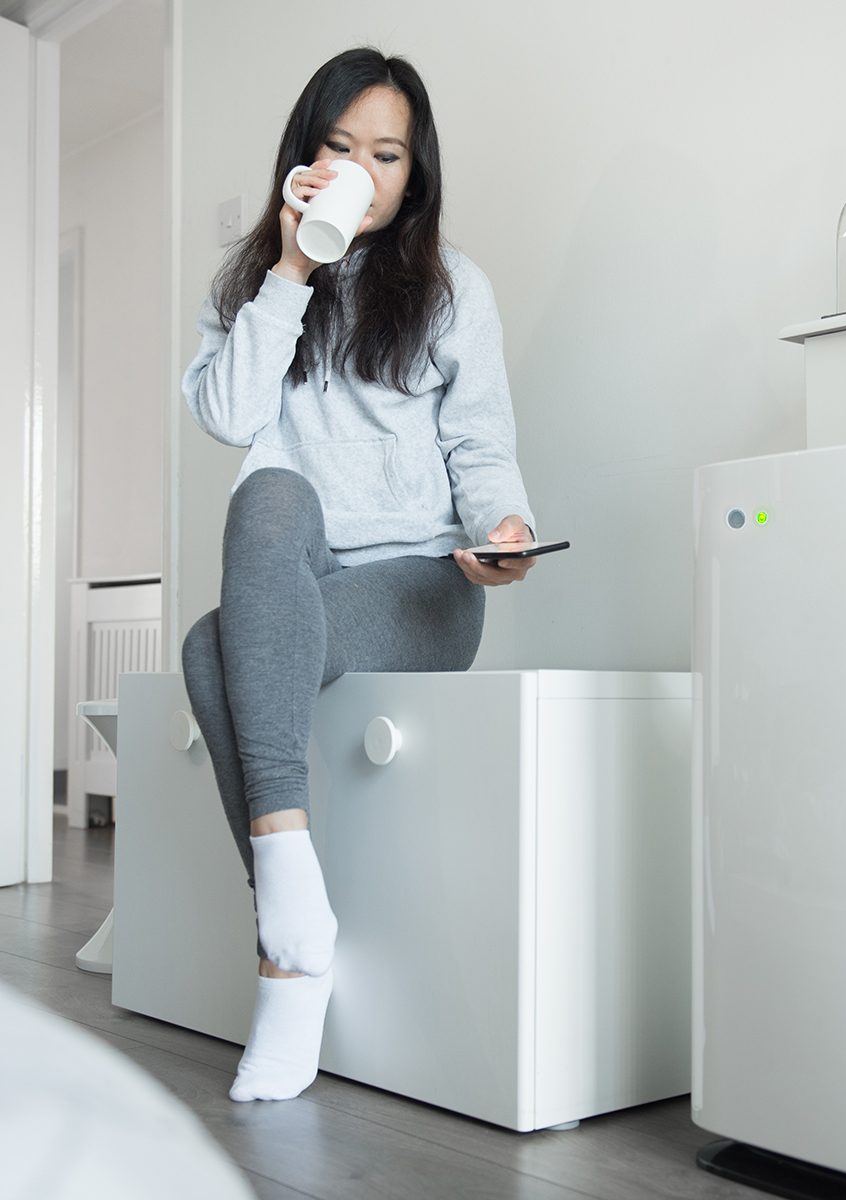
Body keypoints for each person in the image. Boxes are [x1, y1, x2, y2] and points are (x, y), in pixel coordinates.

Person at [179, 47, 536, 1104]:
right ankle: (293, 925)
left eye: (387, 156)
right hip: (304, 568)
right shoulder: (253, 285)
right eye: (341, 148)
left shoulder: (450, 285)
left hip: (423, 588)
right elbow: (231, 419)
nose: (363, 173)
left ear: (413, 172)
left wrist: (505, 528)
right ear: (305, 157)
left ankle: (287, 955)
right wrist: (290, 272)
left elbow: (481, 445)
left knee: (215, 646)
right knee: (267, 493)